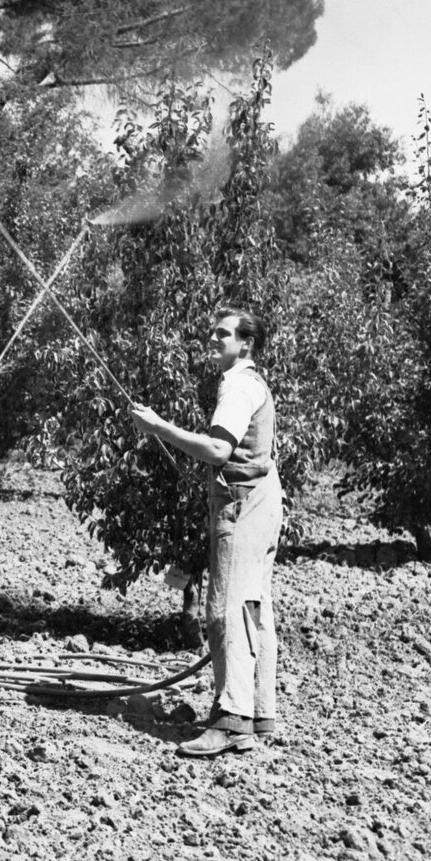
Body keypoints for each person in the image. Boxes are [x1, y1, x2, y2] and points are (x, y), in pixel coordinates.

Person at [129, 308, 282, 757]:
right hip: (264, 497)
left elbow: (218, 449)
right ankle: (260, 714)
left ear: (245, 343)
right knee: (256, 608)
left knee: (225, 609)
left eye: (223, 334)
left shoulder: (237, 384)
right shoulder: (255, 382)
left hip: (243, 503)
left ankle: (232, 720)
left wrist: (158, 426)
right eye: (213, 331)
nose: (213, 339)